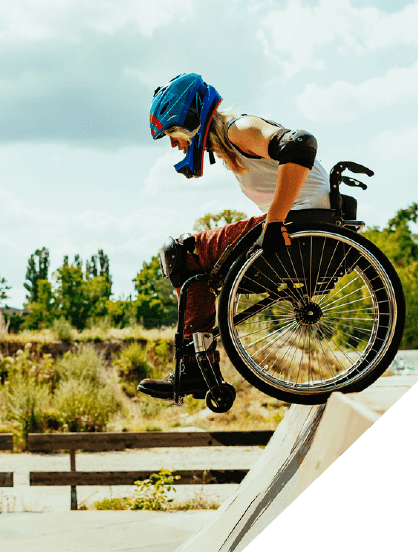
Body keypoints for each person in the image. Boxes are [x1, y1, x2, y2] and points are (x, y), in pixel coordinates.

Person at [137, 72, 332, 401]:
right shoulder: (229, 145)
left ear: (191, 119)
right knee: (197, 263)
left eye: (172, 132)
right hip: (298, 219)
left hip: (300, 221)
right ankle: (198, 362)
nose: (172, 143)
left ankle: (196, 369)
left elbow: (300, 145)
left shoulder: (237, 128)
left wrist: (275, 222)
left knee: (181, 251)